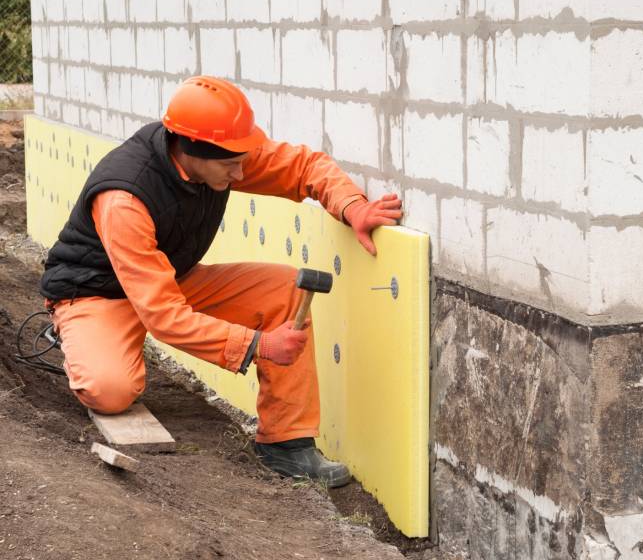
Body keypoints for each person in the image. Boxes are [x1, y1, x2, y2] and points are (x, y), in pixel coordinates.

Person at [39, 76, 403, 487]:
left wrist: (352, 206)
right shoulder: (126, 198)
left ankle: (287, 444)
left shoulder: (220, 154)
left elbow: (303, 166)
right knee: (110, 390)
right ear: (191, 150)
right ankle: (79, 335)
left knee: (285, 290)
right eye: (232, 166)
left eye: (242, 160)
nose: (242, 172)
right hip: (97, 294)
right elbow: (164, 316)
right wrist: (259, 345)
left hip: (169, 279)